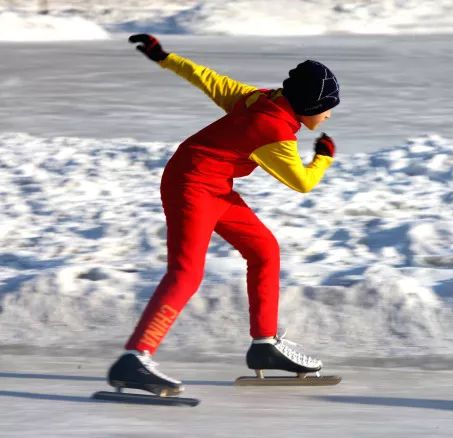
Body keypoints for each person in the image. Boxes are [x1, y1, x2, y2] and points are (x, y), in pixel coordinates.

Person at [107, 34, 340, 396]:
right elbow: (303, 183)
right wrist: (324, 156)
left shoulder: (262, 98)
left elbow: (208, 79)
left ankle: (264, 344)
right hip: (191, 186)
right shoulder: (276, 133)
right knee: (186, 273)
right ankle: (135, 358)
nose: (328, 115)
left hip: (214, 185)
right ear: (308, 104)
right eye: (327, 107)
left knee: (264, 249)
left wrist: (164, 57)